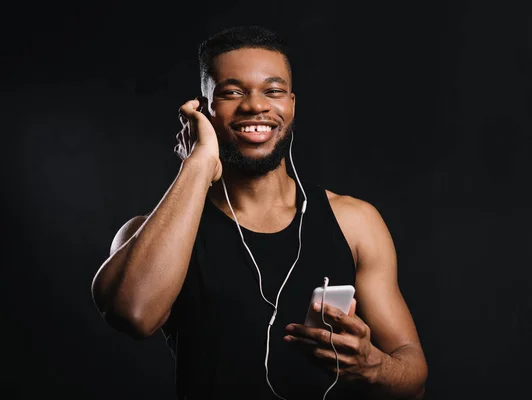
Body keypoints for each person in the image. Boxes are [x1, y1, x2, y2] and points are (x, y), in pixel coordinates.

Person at [91, 25, 428, 400]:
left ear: (292, 105)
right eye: (232, 92)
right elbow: (133, 314)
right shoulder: (151, 233)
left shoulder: (355, 221)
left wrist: (373, 365)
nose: (255, 105)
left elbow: (414, 377)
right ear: (204, 110)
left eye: (273, 91)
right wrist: (198, 165)